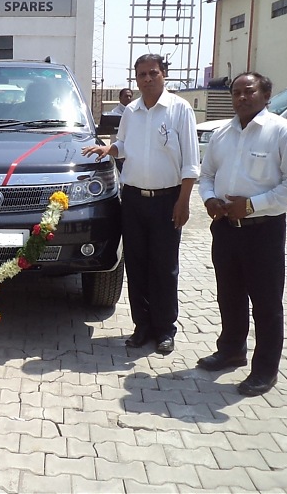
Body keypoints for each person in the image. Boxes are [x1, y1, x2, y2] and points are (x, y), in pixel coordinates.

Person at [197, 72, 287, 396]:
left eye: (249, 91)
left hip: (263, 230)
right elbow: (206, 175)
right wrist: (208, 199)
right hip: (225, 230)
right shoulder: (222, 134)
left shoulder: (283, 133)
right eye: (236, 93)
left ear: (266, 95)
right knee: (228, 295)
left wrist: (251, 206)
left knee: (266, 302)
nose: (242, 98)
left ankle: (265, 371)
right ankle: (231, 349)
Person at [81, 53, 199, 354]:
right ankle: (141, 326)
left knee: (164, 267)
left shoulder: (179, 110)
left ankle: (164, 329)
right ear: (135, 78)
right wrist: (108, 148)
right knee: (136, 265)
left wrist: (183, 202)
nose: (147, 79)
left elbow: (191, 164)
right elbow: (124, 145)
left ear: (164, 75)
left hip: (167, 201)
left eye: (153, 73)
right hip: (132, 199)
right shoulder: (131, 111)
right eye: (142, 74)